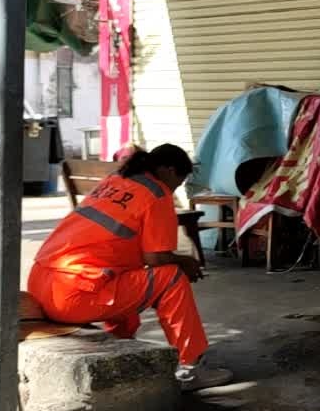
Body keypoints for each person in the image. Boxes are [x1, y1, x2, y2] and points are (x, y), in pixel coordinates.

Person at [28, 143, 231, 390]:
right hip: (75, 296)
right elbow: (156, 258)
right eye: (179, 180)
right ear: (168, 170)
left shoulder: (115, 180)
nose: (176, 188)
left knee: (128, 277)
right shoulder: (157, 194)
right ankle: (191, 367)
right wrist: (186, 261)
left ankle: (122, 343)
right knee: (171, 277)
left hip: (42, 285)